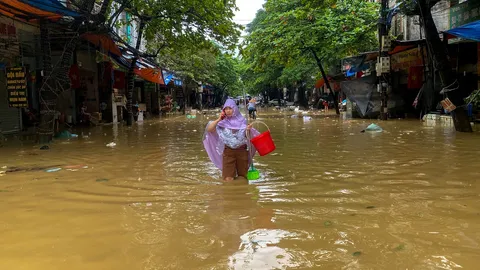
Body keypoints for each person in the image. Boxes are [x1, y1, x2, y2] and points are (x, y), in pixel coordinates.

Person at [203, 99, 258, 181]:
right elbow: (210, 129)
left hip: (242, 151)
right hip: (228, 152)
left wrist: (248, 130)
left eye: (230, 108)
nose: (228, 111)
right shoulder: (222, 122)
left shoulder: (243, 121)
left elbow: (247, 137)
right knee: (228, 178)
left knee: (242, 177)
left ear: (234, 109)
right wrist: (219, 119)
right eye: (226, 109)